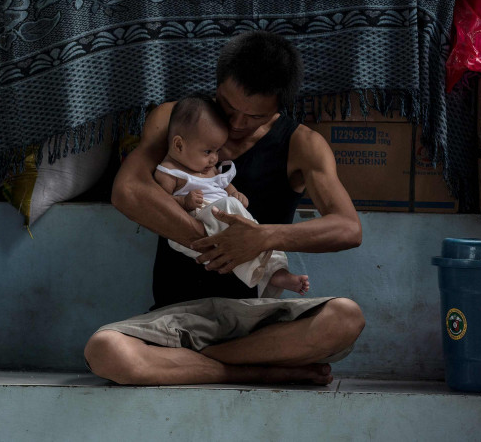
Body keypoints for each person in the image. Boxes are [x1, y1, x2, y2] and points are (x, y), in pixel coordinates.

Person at [84, 31, 365, 386]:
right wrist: (213, 243)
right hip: (180, 318)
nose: (235, 123)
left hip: (257, 324)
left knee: (345, 319)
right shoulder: (175, 119)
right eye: (227, 106)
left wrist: (260, 239)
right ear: (217, 84)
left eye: (253, 116)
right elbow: (128, 190)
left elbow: (348, 228)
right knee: (104, 350)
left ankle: (205, 364)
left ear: (280, 107)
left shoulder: (303, 144)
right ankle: (253, 372)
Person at [154, 94, 310, 297]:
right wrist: (184, 201)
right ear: (178, 145)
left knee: (252, 229)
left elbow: (224, 184)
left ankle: (276, 270)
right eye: (208, 151)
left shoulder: (208, 167)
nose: (214, 158)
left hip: (223, 222)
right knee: (231, 211)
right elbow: (160, 203)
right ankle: (268, 276)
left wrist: (235, 193)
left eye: (217, 150)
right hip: (192, 226)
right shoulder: (169, 172)